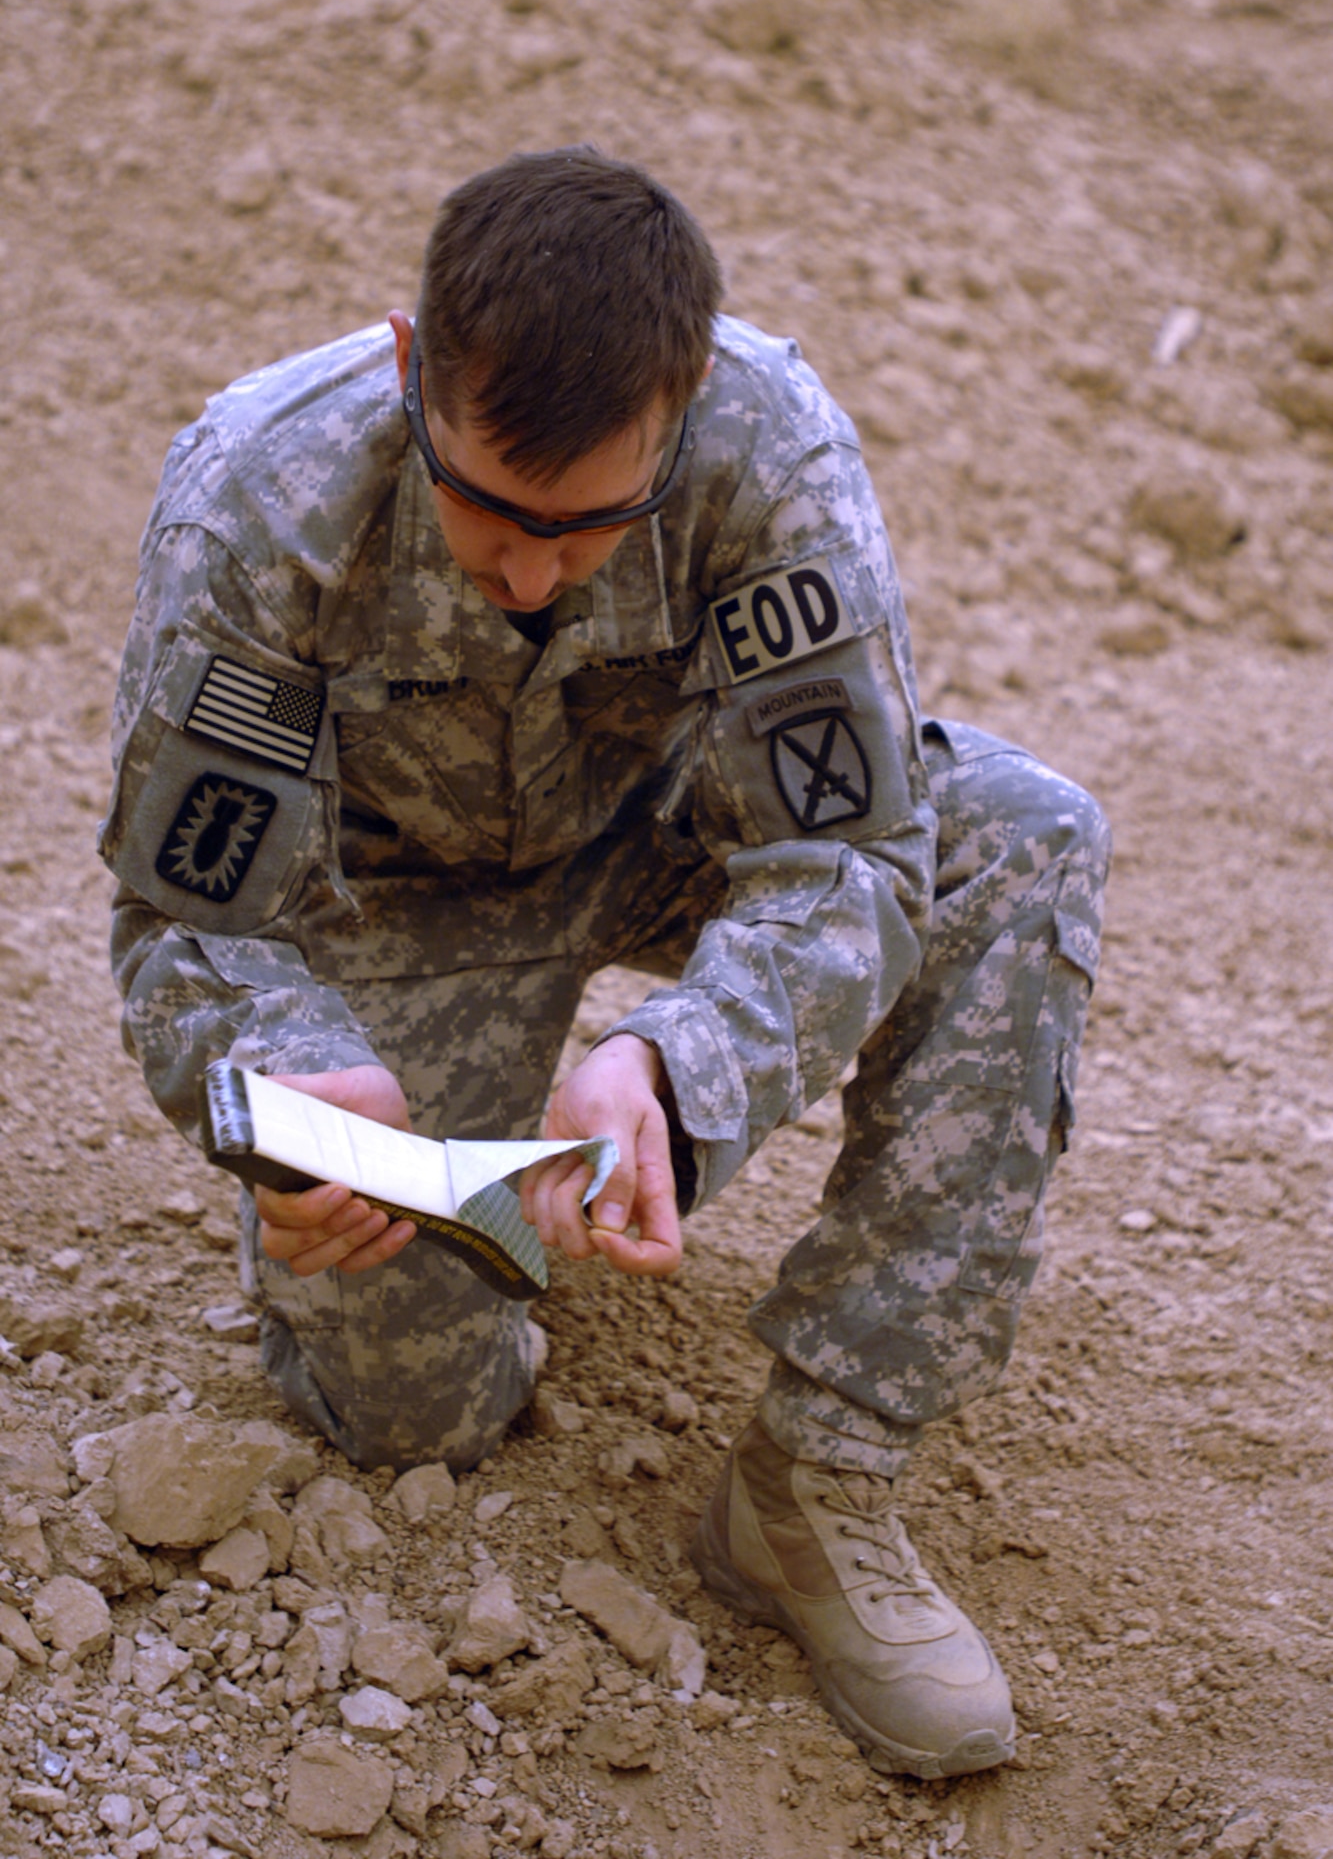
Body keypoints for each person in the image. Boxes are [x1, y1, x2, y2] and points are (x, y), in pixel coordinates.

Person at [100, 147, 1110, 1782]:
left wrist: (670, 1063)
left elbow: (847, 850)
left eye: (586, 528)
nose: (523, 571)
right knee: (413, 1410)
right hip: (397, 900)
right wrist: (287, 1074)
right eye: (487, 505)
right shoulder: (260, 497)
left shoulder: (767, 444)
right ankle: (397, 1233)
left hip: (669, 830)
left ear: (685, 394)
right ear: (412, 364)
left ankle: (817, 1480)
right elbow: (191, 917)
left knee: (1023, 832)